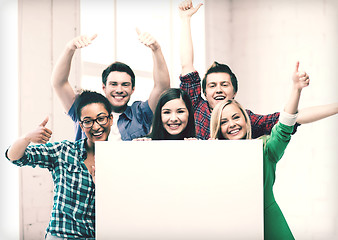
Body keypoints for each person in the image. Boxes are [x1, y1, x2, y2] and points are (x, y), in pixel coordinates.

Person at [178, 0, 338, 140]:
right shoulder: (196, 108)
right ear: (204, 93)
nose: (218, 89)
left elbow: (291, 118)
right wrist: (185, 20)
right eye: (212, 86)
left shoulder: (245, 119)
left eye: (224, 84)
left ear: (234, 91)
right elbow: (187, 66)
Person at [209, 60, 309, 239]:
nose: (232, 124)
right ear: (217, 128)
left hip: (269, 221)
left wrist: (296, 89)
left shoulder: (264, 148)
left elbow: (283, 127)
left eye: (235, 117)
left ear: (246, 120)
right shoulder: (211, 156)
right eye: (224, 122)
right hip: (232, 224)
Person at [5, 90, 113, 239]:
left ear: (111, 119)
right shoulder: (63, 151)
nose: (96, 127)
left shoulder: (118, 160)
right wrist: (27, 137)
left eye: (101, 119)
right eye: (88, 121)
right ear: (81, 126)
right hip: (60, 236)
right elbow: (14, 156)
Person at [52, 29, 170, 141]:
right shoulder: (85, 108)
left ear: (132, 89)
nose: (119, 90)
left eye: (125, 84)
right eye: (113, 84)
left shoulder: (140, 114)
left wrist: (156, 49)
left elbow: (162, 88)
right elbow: (59, 83)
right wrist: (70, 48)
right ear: (104, 87)